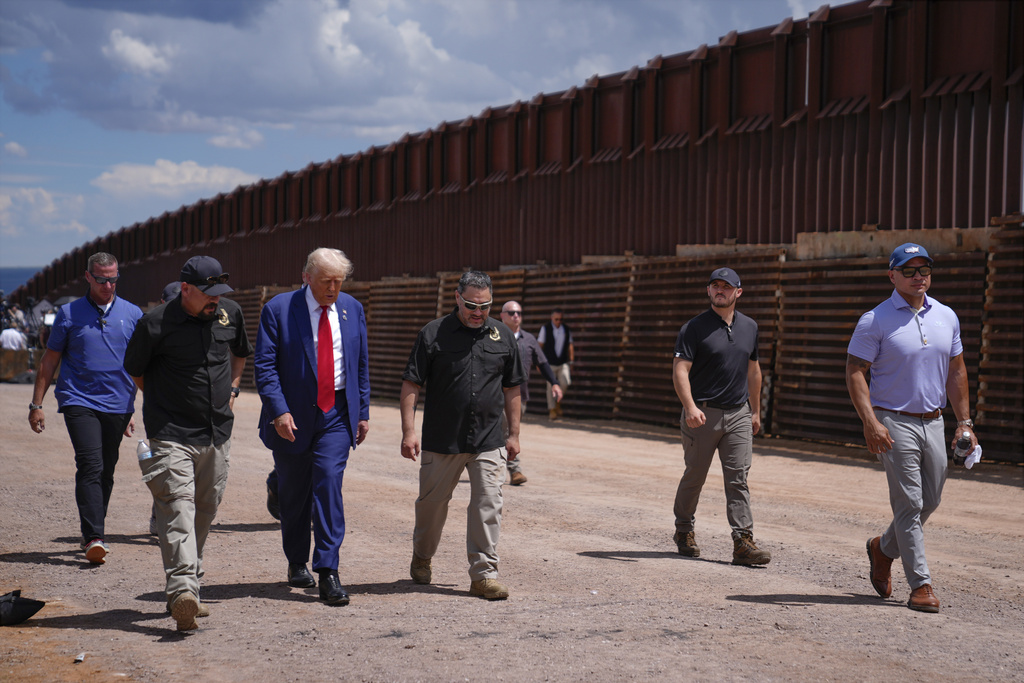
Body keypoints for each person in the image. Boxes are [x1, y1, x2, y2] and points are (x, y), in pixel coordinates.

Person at [846, 243, 977, 614]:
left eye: (925, 269)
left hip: (934, 421)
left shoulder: (946, 316)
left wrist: (964, 423)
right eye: (909, 270)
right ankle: (921, 584)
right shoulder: (875, 320)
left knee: (930, 500)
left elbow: (956, 371)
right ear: (892, 275)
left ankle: (882, 548)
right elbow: (855, 371)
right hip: (892, 420)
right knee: (910, 503)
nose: (918, 276)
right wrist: (870, 421)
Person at [124, 255, 252, 631]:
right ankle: (182, 591)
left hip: (217, 433)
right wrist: (164, 400)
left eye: (220, 293)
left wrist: (232, 389)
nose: (216, 300)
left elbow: (241, 354)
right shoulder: (156, 323)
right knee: (176, 507)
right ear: (185, 289)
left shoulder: (230, 313)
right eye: (208, 294)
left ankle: (190, 583)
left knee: (205, 508)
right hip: (171, 434)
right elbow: (135, 369)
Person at [254, 248, 370, 606]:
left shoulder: (352, 309)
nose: (333, 288)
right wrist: (278, 411)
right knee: (294, 494)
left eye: (339, 281)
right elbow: (265, 367)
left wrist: (362, 411)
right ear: (307, 277)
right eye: (326, 281)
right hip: (292, 416)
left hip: (335, 413)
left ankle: (328, 570)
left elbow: (360, 364)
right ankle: (295, 560)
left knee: (328, 481)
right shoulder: (279, 309)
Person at [400, 271, 524, 600]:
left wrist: (514, 435)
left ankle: (484, 574)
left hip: (488, 440)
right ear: (457, 298)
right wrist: (409, 431)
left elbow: (512, 388)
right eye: (471, 305)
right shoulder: (433, 334)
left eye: (485, 306)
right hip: (443, 439)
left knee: (488, 504)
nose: (477, 312)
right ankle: (423, 555)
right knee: (432, 506)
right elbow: (412, 383)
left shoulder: (503, 336)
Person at [27, 252, 142, 564]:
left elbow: (139, 366)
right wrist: (36, 403)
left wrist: (133, 408)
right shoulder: (68, 314)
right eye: (102, 279)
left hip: (118, 404)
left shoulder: (132, 314)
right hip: (79, 400)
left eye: (114, 278)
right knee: (90, 464)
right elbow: (50, 360)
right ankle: (95, 537)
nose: (108, 285)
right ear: (89, 277)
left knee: (106, 469)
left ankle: (93, 529)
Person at [671, 267, 771, 566]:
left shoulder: (750, 327)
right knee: (695, 476)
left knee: (738, 479)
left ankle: (743, 542)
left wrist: (755, 411)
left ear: (738, 292)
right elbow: (680, 369)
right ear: (708, 290)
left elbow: (754, 370)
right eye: (715, 286)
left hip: (739, 413)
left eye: (726, 287)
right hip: (703, 414)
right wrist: (690, 407)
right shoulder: (694, 328)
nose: (720, 291)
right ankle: (684, 530)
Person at [499, 300, 562, 485]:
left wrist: (555, 383)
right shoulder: (493, 336)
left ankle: (498, 468)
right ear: (502, 315)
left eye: (518, 312)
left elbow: (542, 363)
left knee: (510, 432)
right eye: (511, 312)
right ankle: (513, 470)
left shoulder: (529, 339)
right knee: (505, 431)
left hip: (520, 396)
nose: (516, 315)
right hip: (495, 394)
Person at [148, 281, 183, 537]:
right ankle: (161, 517)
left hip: (195, 414)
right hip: (164, 414)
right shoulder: (153, 330)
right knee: (167, 469)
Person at [537, 308, 573, 420]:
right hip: (549, 363)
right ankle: (552, 409)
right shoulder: (545, 329)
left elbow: (570, 345)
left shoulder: (566, 329)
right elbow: (539, 346)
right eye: (557, 319)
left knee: (565, 381)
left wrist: (571, 361)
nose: (559, 321)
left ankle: (558, 402)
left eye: (561, 319)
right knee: (550, 385)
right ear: (552, 318)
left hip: (562, 362)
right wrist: (539, 362)